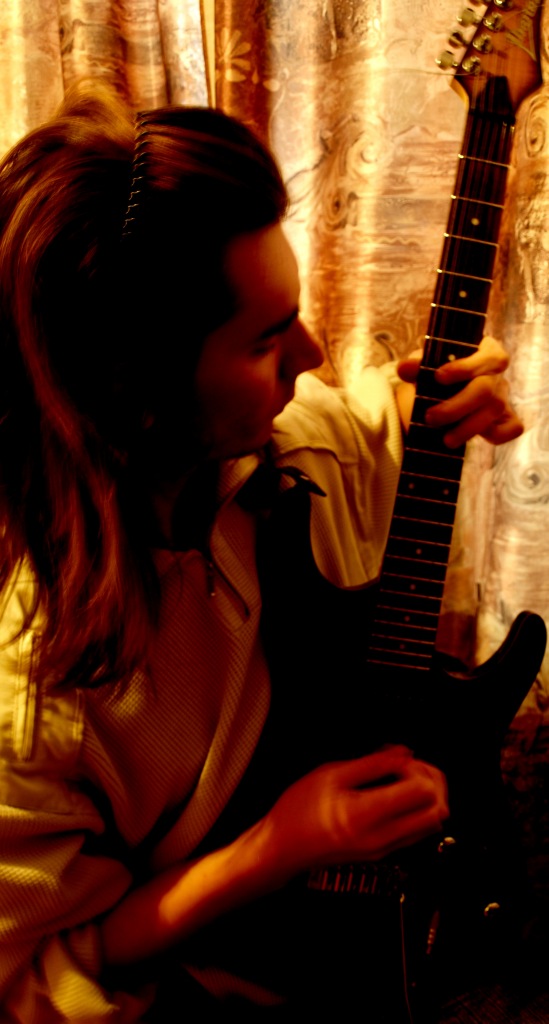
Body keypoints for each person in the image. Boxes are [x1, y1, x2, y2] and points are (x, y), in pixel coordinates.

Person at [0, 80, 523, 1022]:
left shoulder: (267, 454)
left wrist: (439, 400)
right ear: (135, 393)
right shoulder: (38, 695)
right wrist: (276, 847)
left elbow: (355, 424)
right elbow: (33, 978)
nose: (313, 355)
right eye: (265, 340)